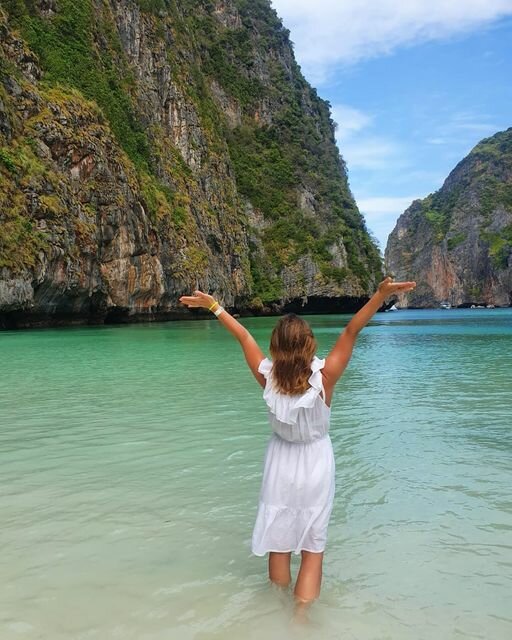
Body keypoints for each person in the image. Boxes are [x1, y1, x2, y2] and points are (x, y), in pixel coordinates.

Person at [179, 276, 416, 612]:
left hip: (280, 463)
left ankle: (274, 609)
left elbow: (244, 336)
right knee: (312, 547)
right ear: (310, 344)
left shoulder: (267, 378)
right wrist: (379, 296)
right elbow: (351, 331)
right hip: (315, 462)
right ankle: (301, 618)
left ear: (275, 347)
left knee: (279, 540)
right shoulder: (325, 378)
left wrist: (214, 306)